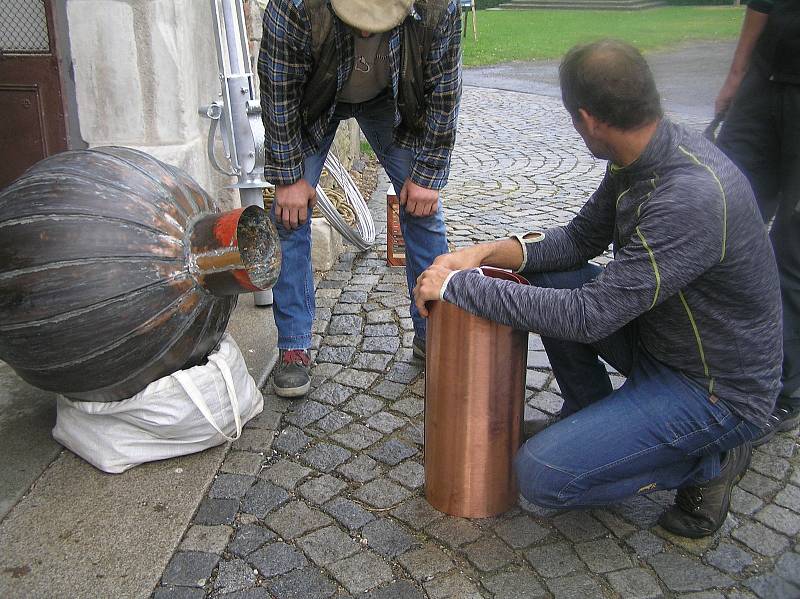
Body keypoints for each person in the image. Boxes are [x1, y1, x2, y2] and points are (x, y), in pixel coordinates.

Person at [413, 40, 783, 538]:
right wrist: (481, 254)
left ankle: (710, 462)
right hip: (662, 345)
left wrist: (457, 287)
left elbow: (590, 316)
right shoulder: (641, 155)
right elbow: (578, 241)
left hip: (715, 391)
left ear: (587, 120)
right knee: (549, 274)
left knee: (543, 477)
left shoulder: (689, 199)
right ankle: (585, 412)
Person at [258, 0, 461, 398]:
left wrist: (428, 176)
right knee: (288, 216)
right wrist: (288, 178)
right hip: (312, 99)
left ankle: (433, 334)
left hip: (389, 98)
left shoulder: (438, 6)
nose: (366, 33)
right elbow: (277, 89)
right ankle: (294, 346)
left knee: (423, 210)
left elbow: (444, 94)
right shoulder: (296, 5)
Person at [715, 0, 800, 443]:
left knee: (793, 254)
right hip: (763, 83)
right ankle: (712, 364)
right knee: (722, 221)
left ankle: (782, 391)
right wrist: (736, 77)